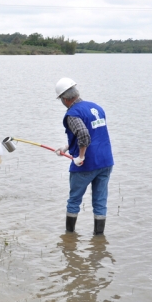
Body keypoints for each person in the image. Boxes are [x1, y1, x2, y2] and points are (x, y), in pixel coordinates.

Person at [54, 78, 114, 235]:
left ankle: (69, 236)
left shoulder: (72, 114)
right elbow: (92, 133)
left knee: (74, 200)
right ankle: (99, 238)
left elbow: (84, 134)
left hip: (86, 164)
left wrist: (80, 156)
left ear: (65, 99)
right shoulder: (96, 107)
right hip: (106, 161)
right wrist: (67, 147)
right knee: (100, 202)